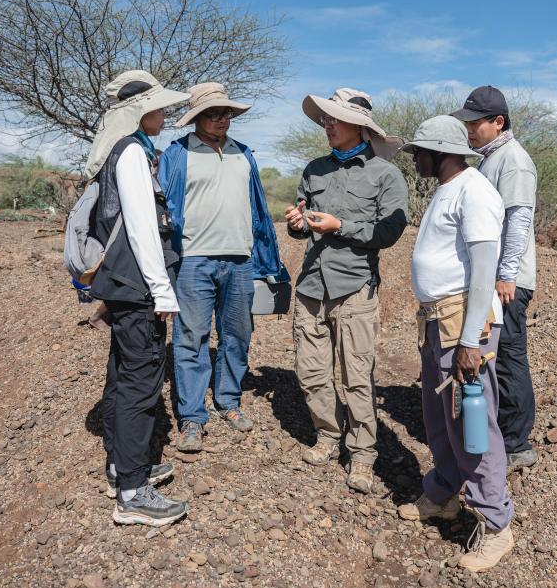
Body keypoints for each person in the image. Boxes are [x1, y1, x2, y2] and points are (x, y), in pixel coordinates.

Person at [396, 115, 514, 572]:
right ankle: (444, 493)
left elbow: (484, 270)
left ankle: (496, 524)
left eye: (420, 153)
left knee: (472, 426)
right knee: (438, 416)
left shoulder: (474, 191)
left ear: (441, 153)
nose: (415, 160)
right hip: (436, 321)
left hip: (463, 325)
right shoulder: (447, 189)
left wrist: (469, 342)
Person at [283, 88, 408, 494]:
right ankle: (327, 435)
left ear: (360, 127)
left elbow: (390, 232)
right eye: (326, 118)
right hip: (310, 287)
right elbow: (301, 222)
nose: (328, 125)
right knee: (311, 371)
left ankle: (362, 454)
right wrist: (297, 223)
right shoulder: (314, 169)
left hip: (355, 288)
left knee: (357, 376)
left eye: (335, 119)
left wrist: (342, 227)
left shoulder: (385, 175)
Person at [83, 70, 189, 526]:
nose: (164, 114)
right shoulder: (130, 153)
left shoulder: (122, 150)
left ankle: (122, 467)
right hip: (139, 287)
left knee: (122, 375)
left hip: (123, 284)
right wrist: (162, 291)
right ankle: (132, 492)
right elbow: (144, 229)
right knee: (140, 385)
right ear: (140, 112)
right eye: (158, 107)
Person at [158, 83, 289, 453]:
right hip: (193, 260)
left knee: (237, 335)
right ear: (197, 118)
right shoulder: (177, 154)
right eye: (213, 114)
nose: (221, 120)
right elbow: (163, 208)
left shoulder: (243, 154)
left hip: (241, 261)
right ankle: (192, 417)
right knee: (191, 338)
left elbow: (258, 209)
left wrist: (266, 258)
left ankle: (228, 401)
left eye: (226, 113)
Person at [451, 86, 539, 473]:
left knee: (508, 358)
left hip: (509, 281)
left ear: (498, 122)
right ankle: (500, 435)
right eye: (467, 123)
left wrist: (506, 275)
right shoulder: (491, 159)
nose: (469, 129)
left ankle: (517, 444)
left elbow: (519, 220)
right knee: (496, 355)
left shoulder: (513, 161)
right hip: (497, 278)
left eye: (475, 123)